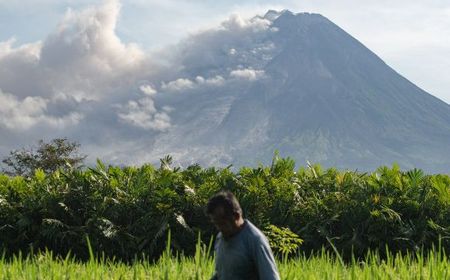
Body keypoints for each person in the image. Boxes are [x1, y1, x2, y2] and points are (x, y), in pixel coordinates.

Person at [206, 191, 280, 280]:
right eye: (216, 224)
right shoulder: (220, 238)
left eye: (222, 223)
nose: (219, 228)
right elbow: (222, 274)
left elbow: (270, 277)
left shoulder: (255, 240)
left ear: (236, 216)